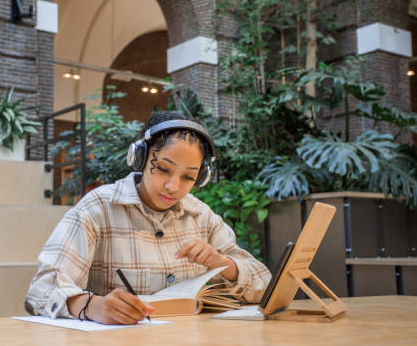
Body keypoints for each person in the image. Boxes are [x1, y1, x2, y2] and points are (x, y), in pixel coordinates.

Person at [25, 111, 271, 324]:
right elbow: (41, 290)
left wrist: (223, 263)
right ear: (140, 158)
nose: (173, 186)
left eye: (188, 177)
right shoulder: (98, 208)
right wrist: (92, 306)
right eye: (163, 169)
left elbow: (265, 284)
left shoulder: (202, 216)